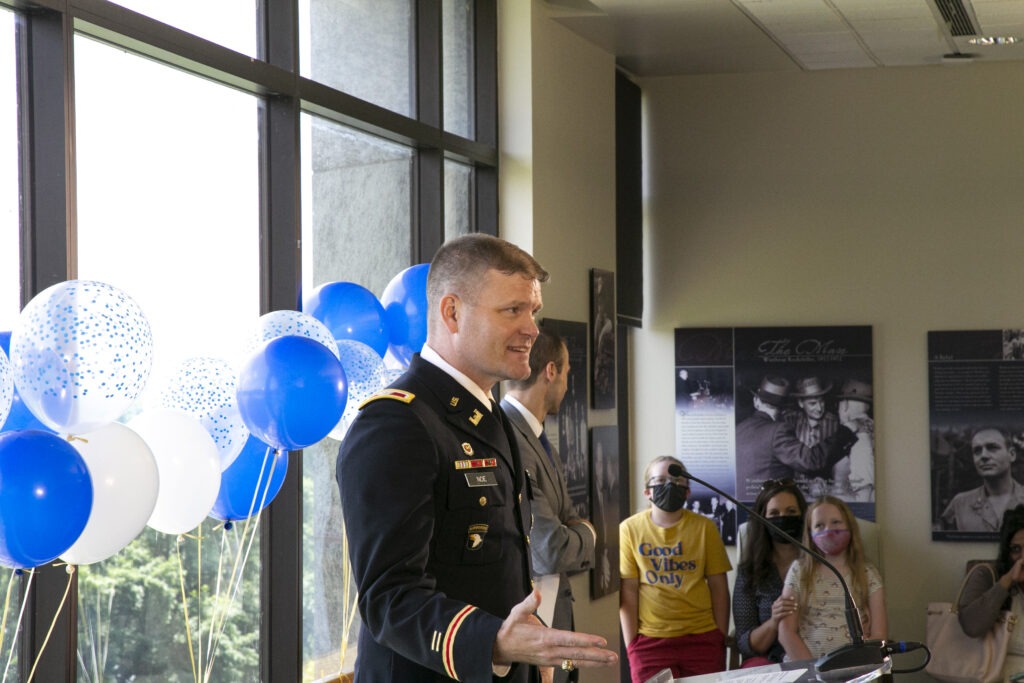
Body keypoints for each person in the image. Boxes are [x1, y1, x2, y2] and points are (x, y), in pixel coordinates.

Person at [337, 234, 617, 682]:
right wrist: (494, 642)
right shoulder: (396, 424)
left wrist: (526, 657)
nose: (532, 329)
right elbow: (388, 597)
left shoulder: (491, 417)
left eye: (533, 311)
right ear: (452, 312)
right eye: (512, 310)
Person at [501, 330, 596, 683]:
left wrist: (572, 527)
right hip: (529, 635)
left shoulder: (542, 442)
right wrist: (588, 532)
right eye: (569, 373)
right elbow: (550, 549)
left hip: (554, 629)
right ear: (551, 371)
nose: (569, 385)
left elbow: (565, 518)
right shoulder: (510, 438)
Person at [619, 456, 731, 682]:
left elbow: (719, 587)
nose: (669, 485)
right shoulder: (629, 529)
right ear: (647, 492)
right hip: (650, 642)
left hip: (702, 640)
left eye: (676, 480)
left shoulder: (705, 528)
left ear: (687, 491)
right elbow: (628, 591)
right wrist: (631, 643)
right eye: (659, 480)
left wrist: (719, 636)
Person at [778, 496, 887, 660]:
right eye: (819, 525)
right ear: (810, 533)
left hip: (855, 668)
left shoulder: (867, 573)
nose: (828, 530)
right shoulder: (799, 571)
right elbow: (786, 632)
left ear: (850, 527)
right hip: (807, 668)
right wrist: (811, 671)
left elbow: (880, 634)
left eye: (836, 522)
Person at [734, 376, 857, 500]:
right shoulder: (778, 429)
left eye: (821, 401)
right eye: (813, 403)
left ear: (756, 401)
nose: (819, 408)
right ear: (783, 409)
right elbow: (811, 461)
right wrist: (848, 430)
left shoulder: (737, 429)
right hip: (771, 502)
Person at [732, 479, 807, 667]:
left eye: (791, 512)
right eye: (774, 513)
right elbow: (745, 644)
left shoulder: (820, 562)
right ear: (763, 520)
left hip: (818, 653)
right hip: (769, 662)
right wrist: (774, 622)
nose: (783, 518)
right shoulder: (749, 571)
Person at [956, 504, 1024, 677]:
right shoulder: (986, 575)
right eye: (1016, 550)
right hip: (996, 673)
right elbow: (972, 627)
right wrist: (1007, 581)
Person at [941, 426, 1024, 533]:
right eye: (977, 451)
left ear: (1011, 455)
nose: (983, 456)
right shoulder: (960, 504)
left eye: (992, 448)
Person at [835, 380, 875, 502]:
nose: (838, 411)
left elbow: (864, 488)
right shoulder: (874, 427)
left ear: (845, 404)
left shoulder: (856, 434)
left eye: (839, 405)